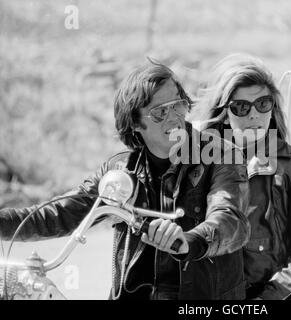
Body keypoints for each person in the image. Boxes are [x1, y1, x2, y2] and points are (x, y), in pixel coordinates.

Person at [0, 59, 250, 300]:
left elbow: (230, 219)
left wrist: (189, 240)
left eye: (178, 104)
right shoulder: (119, 169)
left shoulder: (220, 154)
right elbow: (59, 214)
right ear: (135, 123)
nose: (174, 117)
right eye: (160, 112)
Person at [189, 53, 291, 300]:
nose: (253, 115)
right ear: (225, 114)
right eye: (241, 107)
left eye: (263, 104)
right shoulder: (198, 163)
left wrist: (268, 299)